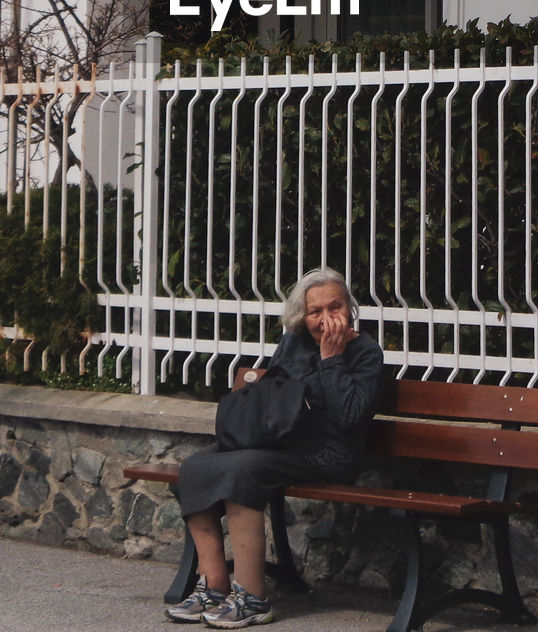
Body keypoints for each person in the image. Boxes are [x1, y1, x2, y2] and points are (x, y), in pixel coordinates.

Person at [165, 268, 385, 628]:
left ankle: (253, 598)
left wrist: (332, 360)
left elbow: (349, 419)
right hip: (282, 443)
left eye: (336, 307)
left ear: (350, 309)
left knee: (243, 470)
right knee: (194, 467)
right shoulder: (294, 341)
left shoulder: (365, 352)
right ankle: (214, 585)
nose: (326, 319)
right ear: (303, 314)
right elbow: (277, 397)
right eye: (316, 311)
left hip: (330, 452)